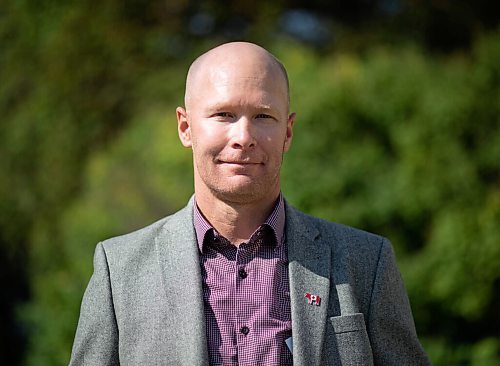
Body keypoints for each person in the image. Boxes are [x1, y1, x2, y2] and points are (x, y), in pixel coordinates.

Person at [69, 42, 430, 366]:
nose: (243, 137)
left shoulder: (367, 262)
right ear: (185, 127)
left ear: (287, 132)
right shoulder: (120, 271)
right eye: (224, 115)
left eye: (263, 116)